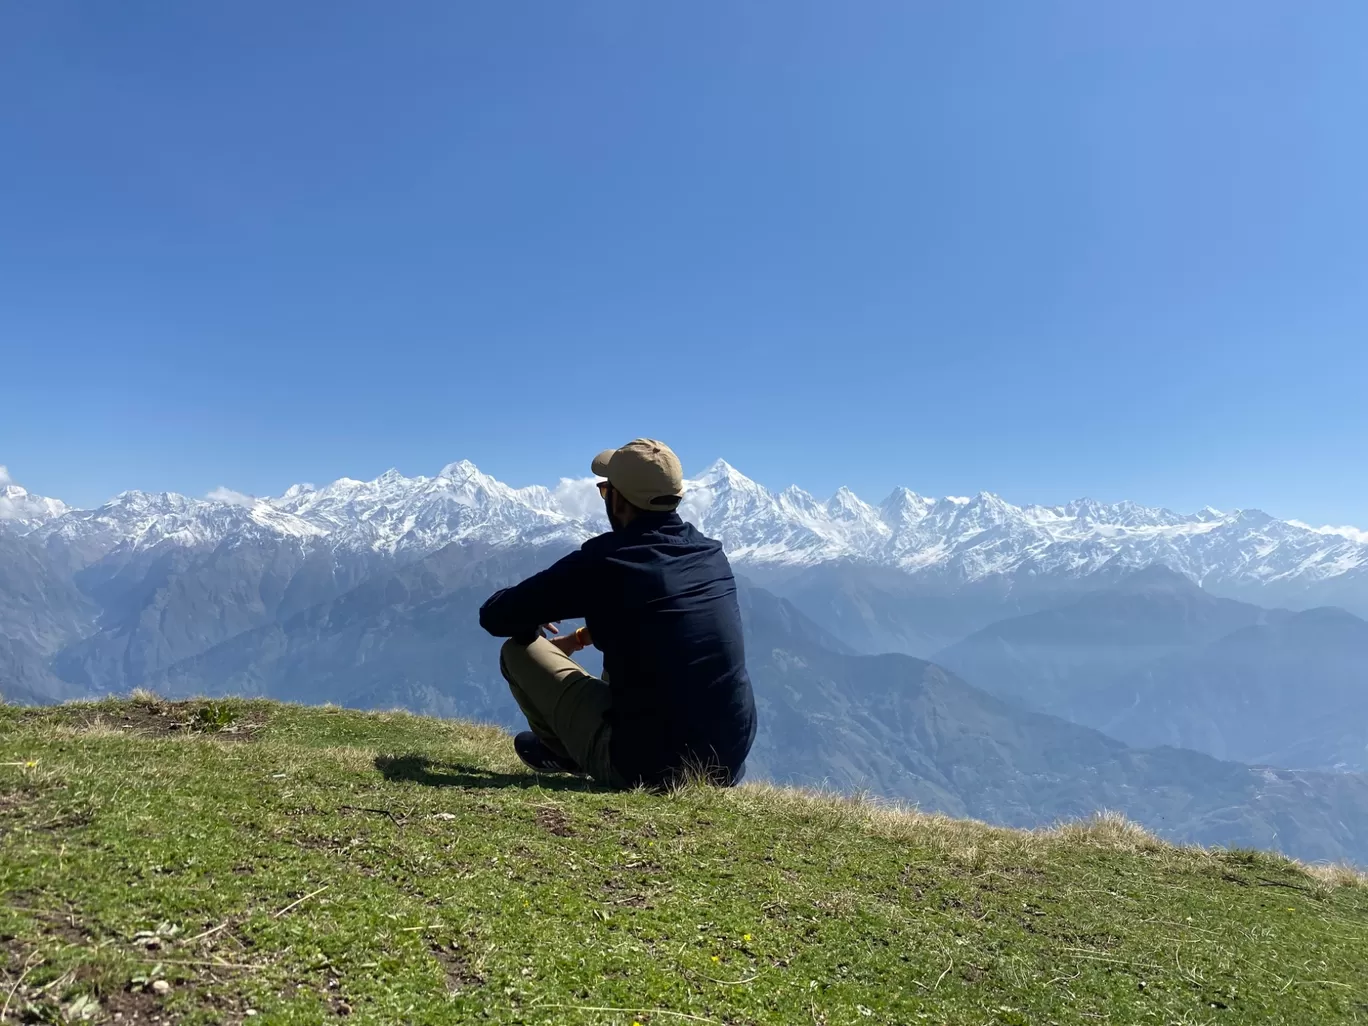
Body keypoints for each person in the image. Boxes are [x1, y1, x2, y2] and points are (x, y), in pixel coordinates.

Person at [478, 438, 756, 789]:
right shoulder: (710, 555)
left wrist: (528, 617)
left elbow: (494, 617)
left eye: (605, 490)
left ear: (620, 501)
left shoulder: (608, 562)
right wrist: (578, 640)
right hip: (725, 765)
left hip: (646, 768)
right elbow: (654, 620)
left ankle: (564, 751)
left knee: (517, 651)